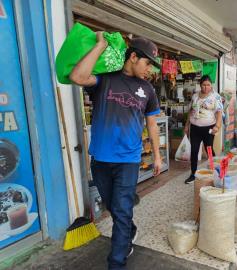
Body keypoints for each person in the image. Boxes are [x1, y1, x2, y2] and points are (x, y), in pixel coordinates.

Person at [69, 33, 162, 270]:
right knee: (114, 207)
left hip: (128, 161)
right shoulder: (106, 79)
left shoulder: (148, 89)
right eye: (147, 63)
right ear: (133, 57)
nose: (149, 69)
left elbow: (152, 123)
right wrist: (101, 45)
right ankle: (129, 231)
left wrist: (158, 155)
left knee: (121, 209)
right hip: (100, 159)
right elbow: (77, 76)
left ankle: (116, 263)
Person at [184, 75, 223, 184]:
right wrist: (187, 125)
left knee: (209, 150)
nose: (206, 87)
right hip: (195, 128)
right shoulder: (195, 96)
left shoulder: (216, 97)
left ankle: (215, 171)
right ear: (200, 85)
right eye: (204, 85)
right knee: (194, 151)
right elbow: (190, 111)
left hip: (209, 128)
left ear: (211, 85)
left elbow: (219, 113)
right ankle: (193, 174)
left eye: (208, 85)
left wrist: (217, 126)